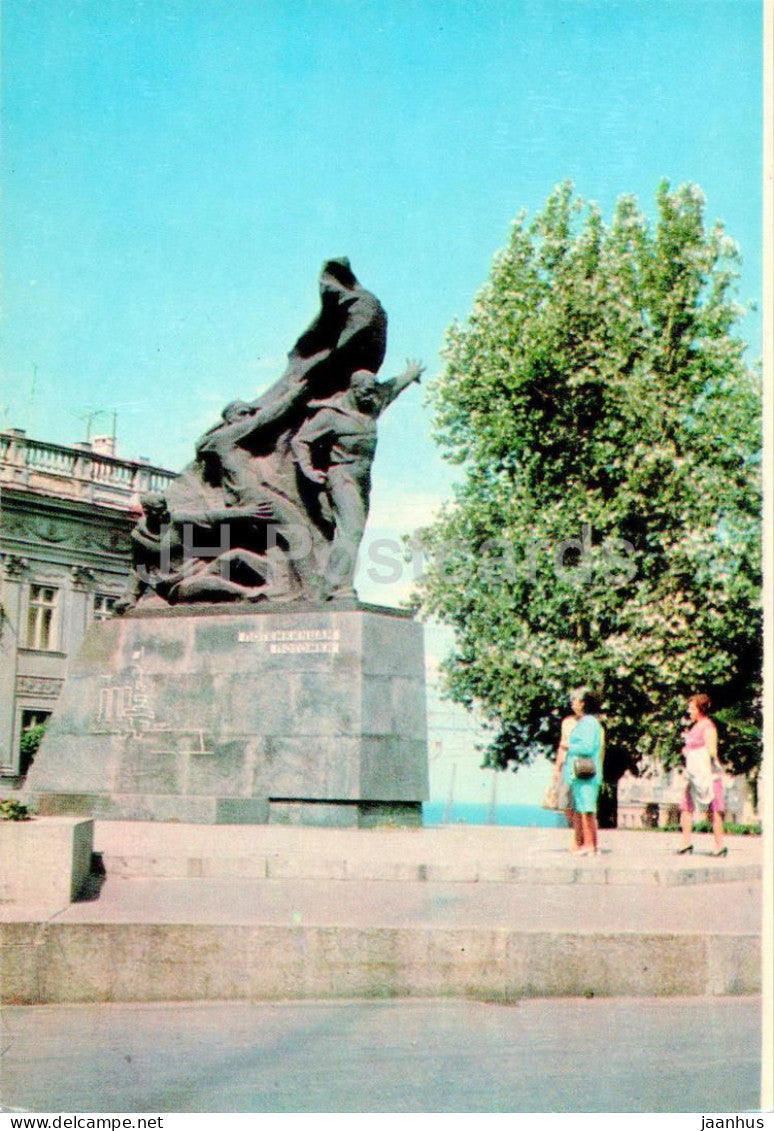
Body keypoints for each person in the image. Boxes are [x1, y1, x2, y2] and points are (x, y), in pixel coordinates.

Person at [290, 361, 424, 599]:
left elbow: (392, 388)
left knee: (352, 532)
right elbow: (300, 440)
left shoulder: (371, 406)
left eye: (373, 392)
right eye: (366, 392)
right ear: (353, 389)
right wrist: (308, 470)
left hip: (362, 480)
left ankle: (328, 587)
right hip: (341, 476)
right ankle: (337, 587)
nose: (371, 397)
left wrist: (410, 374)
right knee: (351, 530)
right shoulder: (331, 415)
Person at [677, 693, 727, 857]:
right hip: (693, 773)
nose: (689, 711)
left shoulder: (708, 726)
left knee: (715, 808)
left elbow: (712, 751)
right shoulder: (695, 726)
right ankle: (686, 843)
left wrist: (712, 770)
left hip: (708, 773)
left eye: (692, 708)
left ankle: (719, 845)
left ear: (701, 709)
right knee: (685, 806)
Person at [564, 688, 605, 856]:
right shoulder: (588, 722)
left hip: (586, 773)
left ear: (583, 703)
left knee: (586, 809)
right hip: (582, 774)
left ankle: (589, 845)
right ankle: (589, 845)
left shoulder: (588, 723)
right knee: (583, 808)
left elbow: (586, 747)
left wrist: (569, 746)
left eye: (575, 700)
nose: (572, 703)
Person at [553, 706, 581, 851]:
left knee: (579, 802)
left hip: (583, 764)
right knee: (564, 802)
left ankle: (578, 837)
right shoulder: (567, 722)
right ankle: (578, 830)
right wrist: (557, 768)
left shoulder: (590, 723)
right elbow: (561, 746)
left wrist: (570, 745)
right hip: (566, 763)